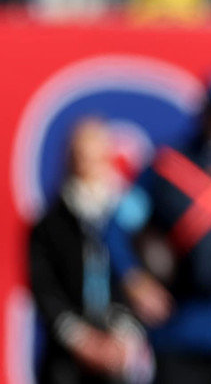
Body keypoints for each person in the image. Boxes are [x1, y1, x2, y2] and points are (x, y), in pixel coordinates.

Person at [105, 70, 211, 383]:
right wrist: (133, 279)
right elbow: (116, 226)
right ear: (202, 111)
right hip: (180, 329)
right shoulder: (167, 168)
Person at [28, 117, 155, 384]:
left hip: (121, 353)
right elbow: (44, 289)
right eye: (79, 157)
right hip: (66, 358)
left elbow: (142, 281)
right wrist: (81, 339)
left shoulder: (128, 219)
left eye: (93, 157)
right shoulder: (50, 224)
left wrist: (124, 335)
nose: (85, 166)